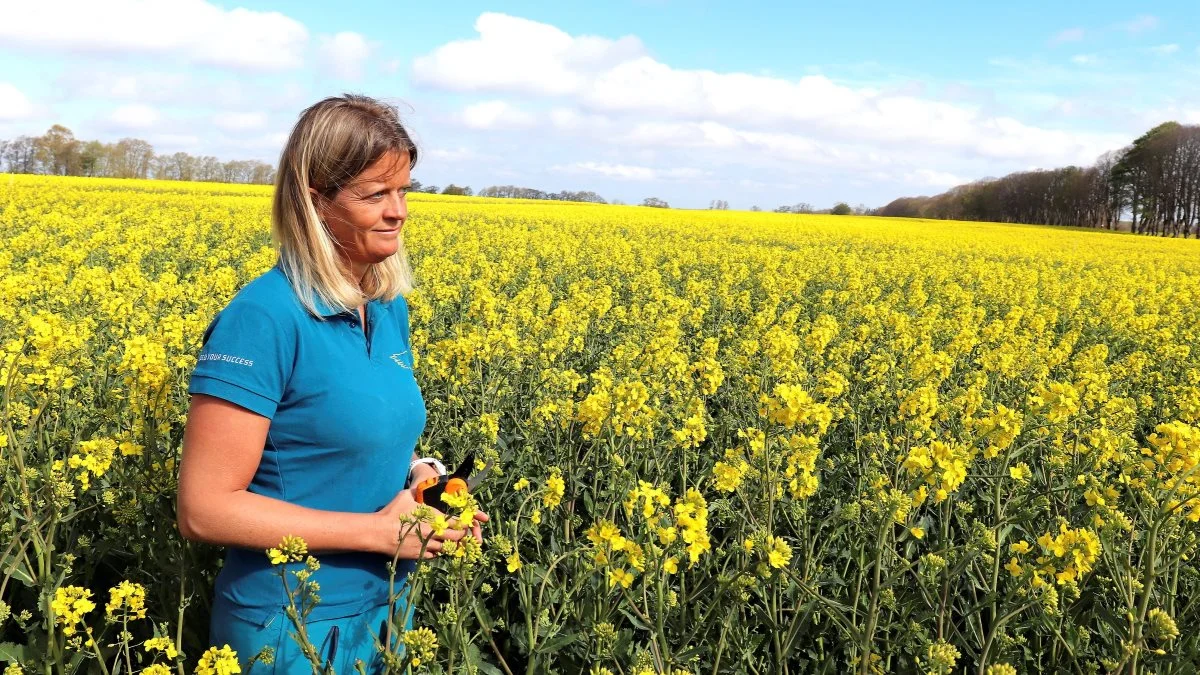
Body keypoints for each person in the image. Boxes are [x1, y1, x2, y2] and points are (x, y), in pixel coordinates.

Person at [177, 94, 487, 673]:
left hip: (388, 605)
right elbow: (203, 509)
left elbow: (345, 433)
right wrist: (377, 532)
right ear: (316, 202)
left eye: (404, 191)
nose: (399, 211)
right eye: (375, 194)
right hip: (291, 623)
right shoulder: (264, 318)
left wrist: (425, 480)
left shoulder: (386, 306)